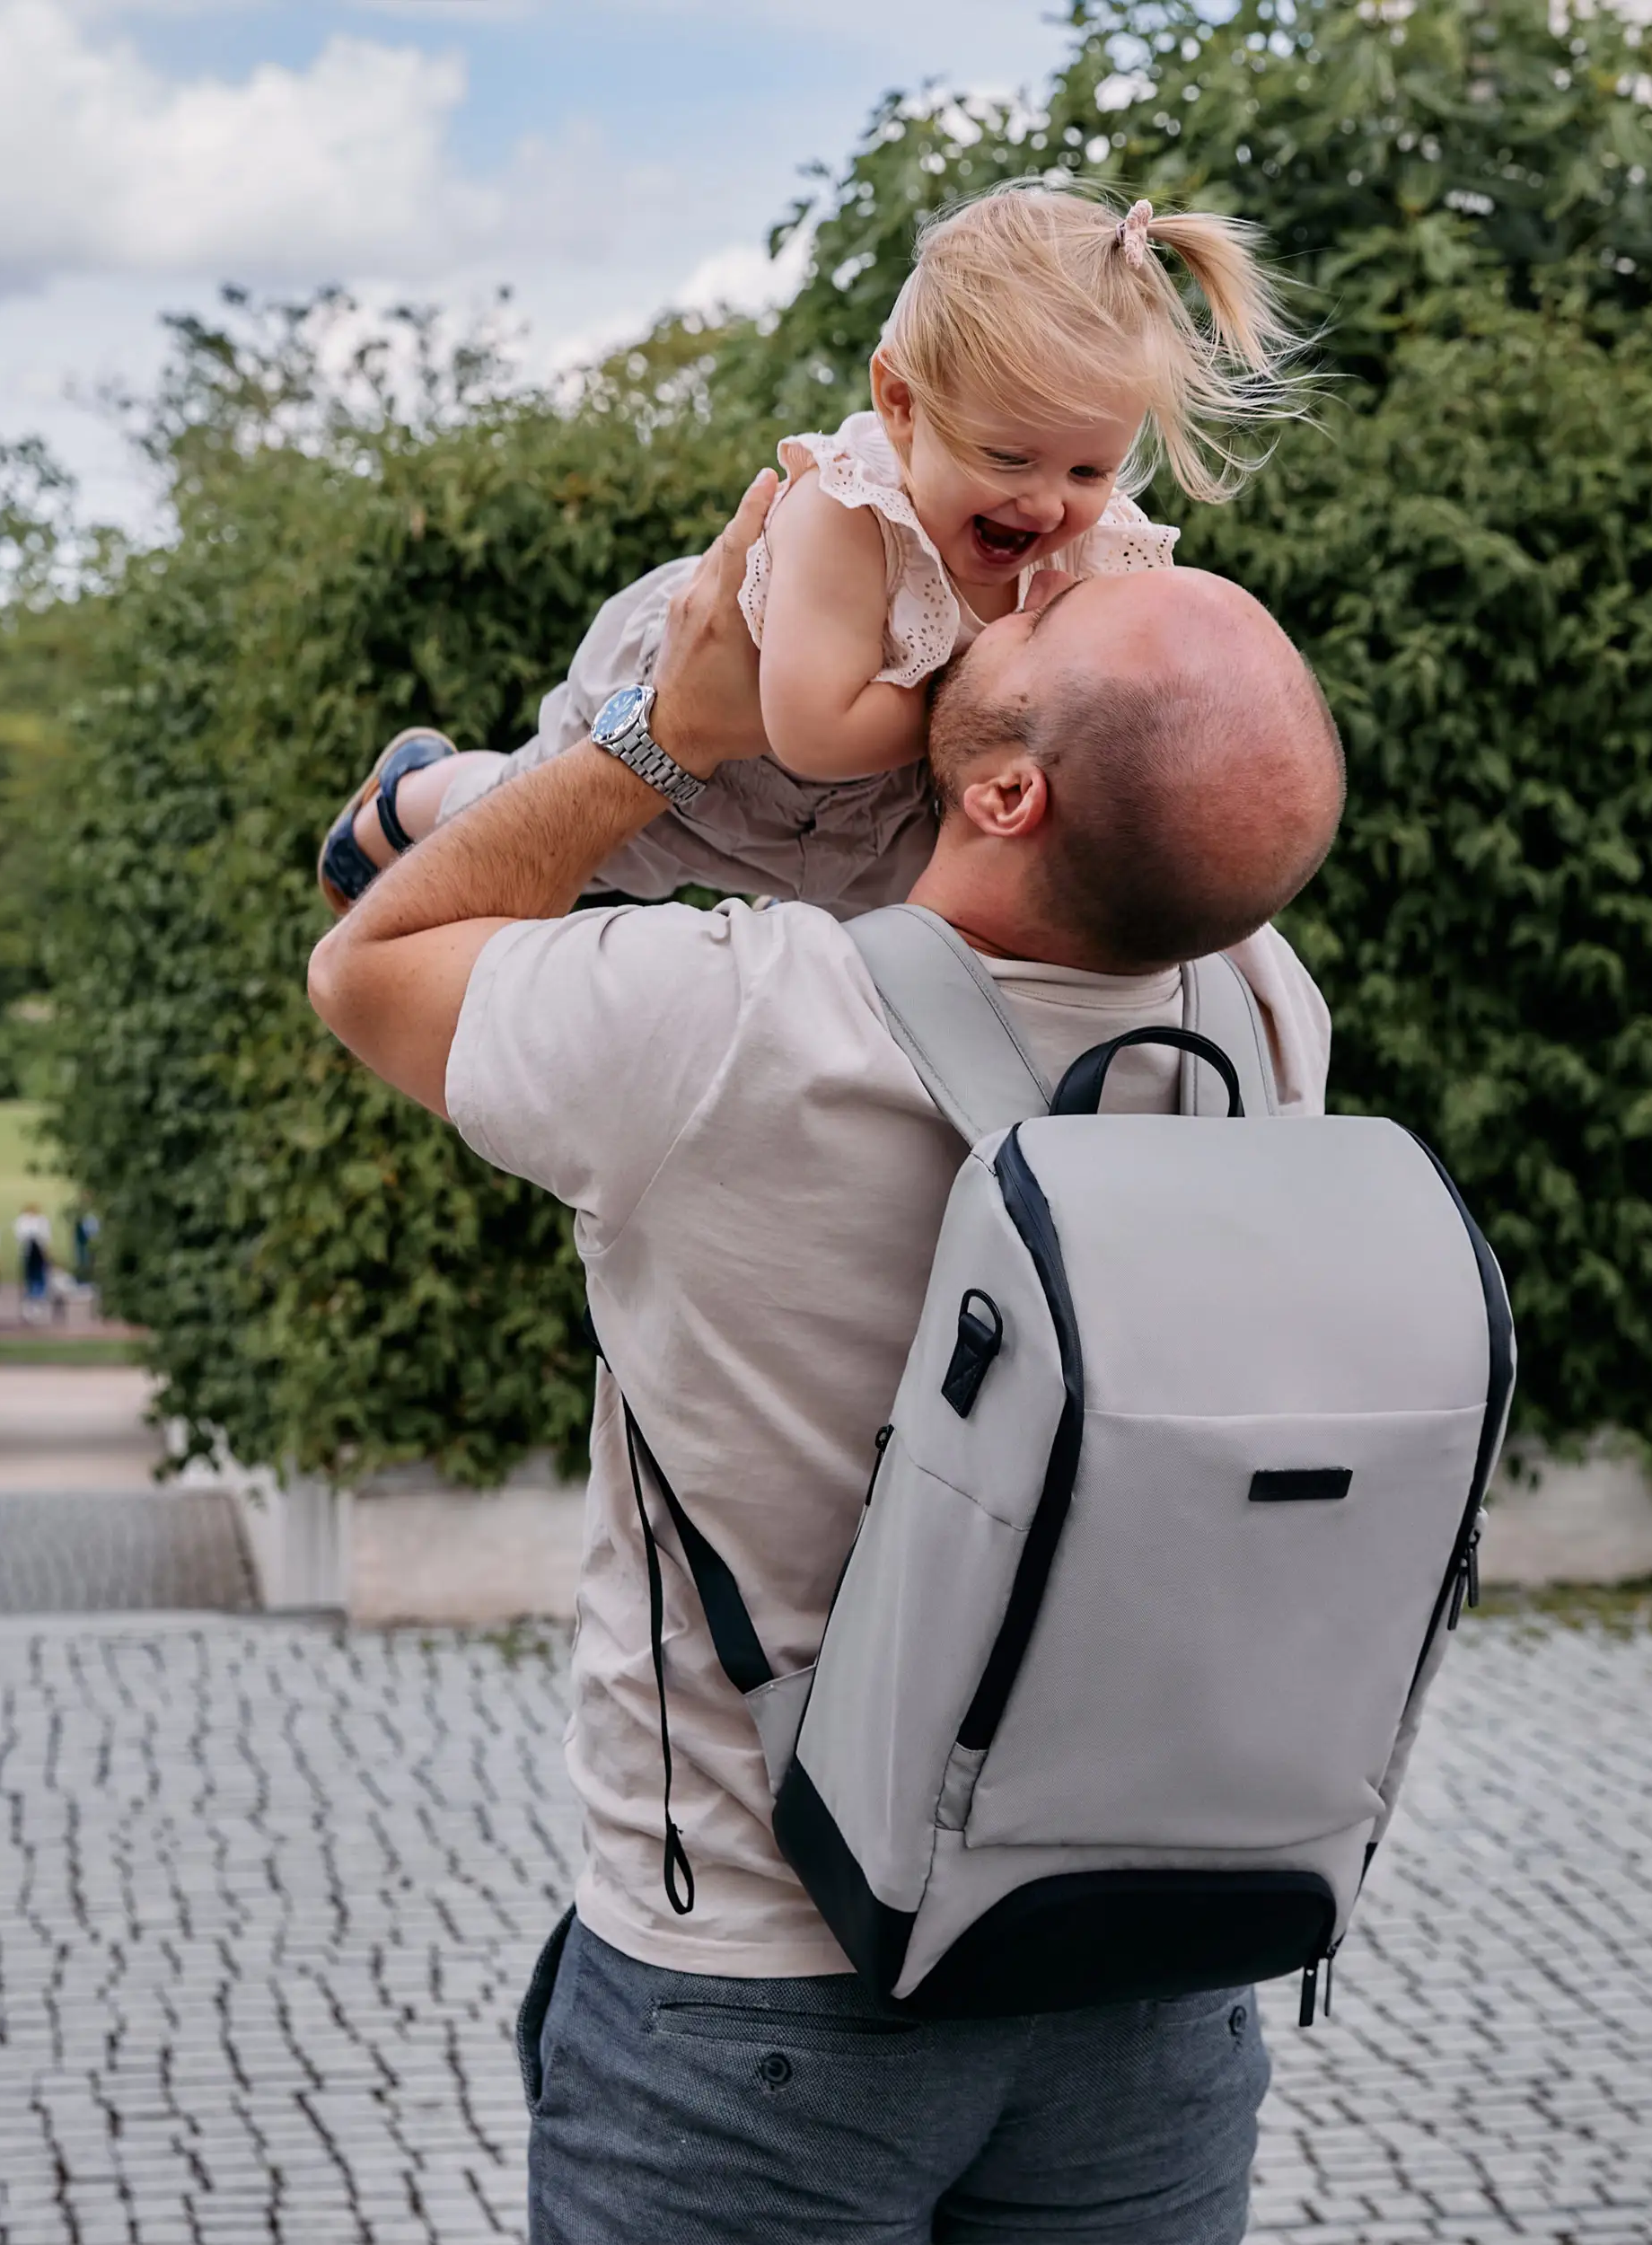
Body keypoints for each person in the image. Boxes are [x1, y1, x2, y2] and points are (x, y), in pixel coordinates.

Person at [308, 479, 1348, 2243]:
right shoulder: (1257, 1018)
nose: (994, 595)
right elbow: (1170, 806)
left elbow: (372, 955)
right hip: (1146, 1975)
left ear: (1004, 791)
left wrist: (662, 733)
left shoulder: (723, 1025)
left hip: (756, 1992)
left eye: (1023, 619)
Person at [316, 183, 1303, 920]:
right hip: (718, 750)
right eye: (1009, 456)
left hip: (865, 823)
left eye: (1091, 471)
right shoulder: (848, 514)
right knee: (538, 818)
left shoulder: (1094, 540)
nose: (1047, 502)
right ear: (901, 407)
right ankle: (404, 801)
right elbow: (814, 728)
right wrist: (991, 698)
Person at [14, 1203, 52, 1321]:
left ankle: (37, 1301)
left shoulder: (40, 1221)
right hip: (29, 1254)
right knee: (31, 1278)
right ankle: (30, 1303)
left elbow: (45, 1239)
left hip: (38, 1254)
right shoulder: (23, 1222)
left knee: (39, 1277)